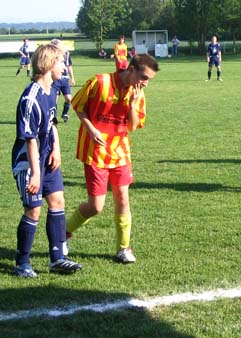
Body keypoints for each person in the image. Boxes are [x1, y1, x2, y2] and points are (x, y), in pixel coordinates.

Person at [65, 54, 160, 264]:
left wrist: (133, 104)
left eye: (149, 80)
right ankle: (64, 233)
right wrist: (90, 129)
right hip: (95, 152)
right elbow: (78, 106)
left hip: (121, 153)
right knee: (96, 207)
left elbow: (133, 126)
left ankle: (123, 248)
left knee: (123, 199)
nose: (145, 83)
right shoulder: (100, 82)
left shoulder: (138, 94)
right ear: (131, 69)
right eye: (143, 77)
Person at [11, 44, 83, 278]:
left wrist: (57, 149)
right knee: (33, 210)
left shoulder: (51, 90)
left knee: (58, 201)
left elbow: (51, 124)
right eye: (61, 62)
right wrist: (36, 173)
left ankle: (57, 258)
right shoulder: (30, 98)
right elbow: (30, 140)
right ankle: (22, 263)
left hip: (47, 158)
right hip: (28, 162)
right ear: (49, 64)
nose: (65, 66)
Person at [50, 39, 76, 123]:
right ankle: (53, 117)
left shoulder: (66, 54)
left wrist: (72, 77)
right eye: (60, 45)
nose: (61, 46)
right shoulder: (51, 54)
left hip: (65, 79)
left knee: (68, 98)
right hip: (56, 79)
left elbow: (69, 66)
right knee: (54, 100)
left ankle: (64, 114)